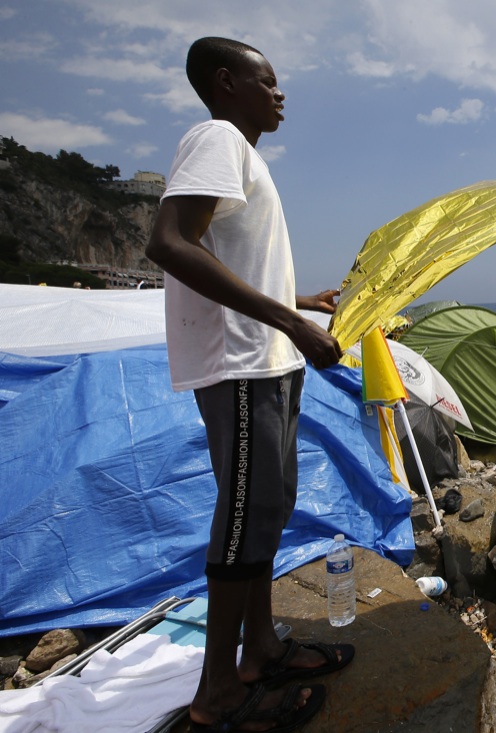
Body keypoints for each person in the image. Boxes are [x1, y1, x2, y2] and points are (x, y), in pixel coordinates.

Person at [146, 37, 353, 732]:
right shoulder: (216, 137)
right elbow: (171, 242)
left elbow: (236, 258)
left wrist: (298, 303)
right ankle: (217, 695)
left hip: (265, 358)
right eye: (267, 81)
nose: (280, 93)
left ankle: (260, 648)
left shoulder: (242, 155)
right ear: (227, 82)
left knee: (266, 507)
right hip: (241, 366)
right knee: (242, 518)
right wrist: (289, 326)